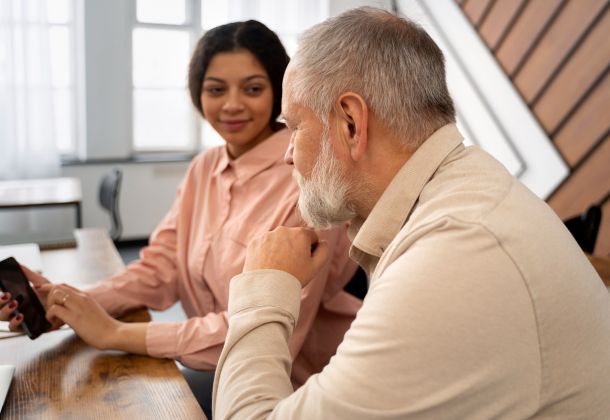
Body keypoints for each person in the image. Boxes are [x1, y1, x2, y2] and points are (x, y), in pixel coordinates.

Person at [211, 8, 610, 419]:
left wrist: (264, 286)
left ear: (350, 122)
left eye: (295, 127)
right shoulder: (464, 190)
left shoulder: (456, 256)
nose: (289, 155)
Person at [0, 20, 361, 418]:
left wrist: (115, 332)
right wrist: (70, 303)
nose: (232, 105)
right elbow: (161, 266)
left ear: (280, 91)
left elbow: (265, 330)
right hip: (222, 376)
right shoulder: (203, 167)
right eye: (216, 89)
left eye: (253, 88)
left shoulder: (307, 177)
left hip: (303, 391)